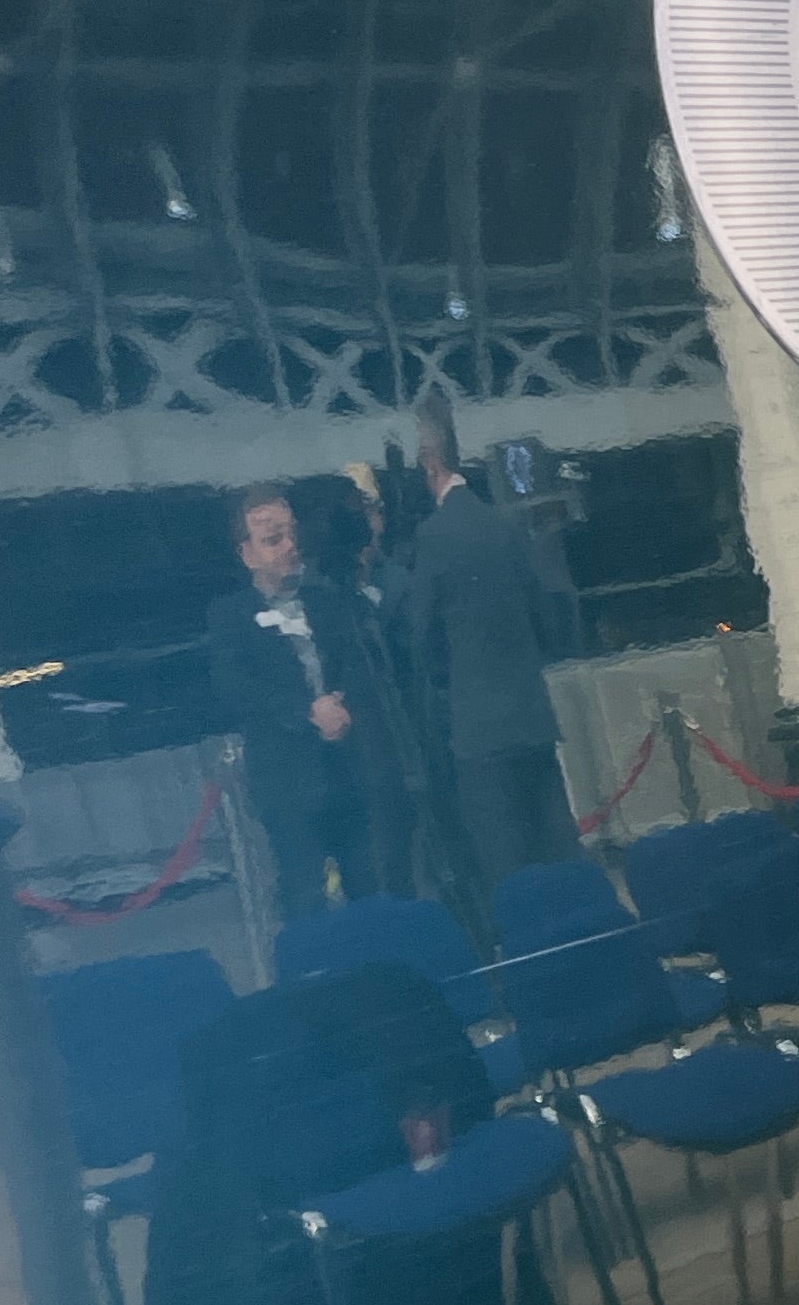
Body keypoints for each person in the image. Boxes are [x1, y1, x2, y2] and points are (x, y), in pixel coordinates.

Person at [397, 392, 583, 902]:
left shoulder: (434, 536)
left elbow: (420, 635)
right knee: (559, 843)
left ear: (429, 462)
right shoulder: (504, 524)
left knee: (508, 862)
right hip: (531, 713)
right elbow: (546, 615)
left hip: (480, 728)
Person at [206, 484, 408, 915]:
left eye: (291, 535)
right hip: (288, 781)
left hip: (346, 770)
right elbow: (236, 690)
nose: (288, 548)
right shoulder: (230, 617)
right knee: (303, 896)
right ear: (247, 553)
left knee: (369, 886)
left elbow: (358, 665)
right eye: (273, 539)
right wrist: (306, 712)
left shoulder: (328, 599)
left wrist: (342, 706)